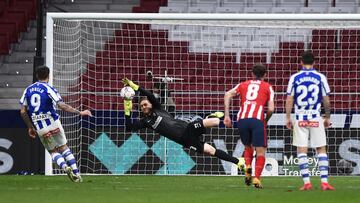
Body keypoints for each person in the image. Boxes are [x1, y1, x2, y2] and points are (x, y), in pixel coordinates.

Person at [122, 78, 245, 171]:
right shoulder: (145, 122)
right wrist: (127, 111)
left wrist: (134, 86)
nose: (144, 107)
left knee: (216, 121)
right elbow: (129, 128)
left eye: (146, 104)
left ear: (150, 104)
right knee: (211, 151)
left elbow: (148, 94)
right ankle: (238, 162)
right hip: (184, 140)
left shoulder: (158, 108)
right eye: (142, 106)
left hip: (187, 127)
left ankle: (210, 118)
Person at [19, 66, 92, 182]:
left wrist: (30, 127)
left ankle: (64, 167)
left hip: (40, 127)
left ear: (37, 76)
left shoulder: (27, 90)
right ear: (48, 75)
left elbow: (23, 111)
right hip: (53, 123)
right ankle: (77, 174)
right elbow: (62, 106)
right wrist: (80, 112)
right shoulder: (49, 89)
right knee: (64, 148)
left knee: (53, 151)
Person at [285, 51, 335, 191]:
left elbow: (290, 98)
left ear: (301, 62)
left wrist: (288, 117)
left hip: (300, 118)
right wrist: (328, 116)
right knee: (320, 148)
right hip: (315, 116)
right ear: (314, 62)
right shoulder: (320, 77)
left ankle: (307, 182)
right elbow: (326, 99)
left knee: (302, 149)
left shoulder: (294, 77)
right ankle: (324, 182)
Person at [224, 64, 275, 189]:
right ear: (265, 75)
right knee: (261, 151)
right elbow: (271, 109)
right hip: (257, 120)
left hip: (242, 119)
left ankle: (248, 167)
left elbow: (227, 94)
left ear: (252, 74)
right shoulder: (268, 87)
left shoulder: (243, 84)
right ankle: (257, 178)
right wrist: (266, 120)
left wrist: (227, 116)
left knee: (247, 147)